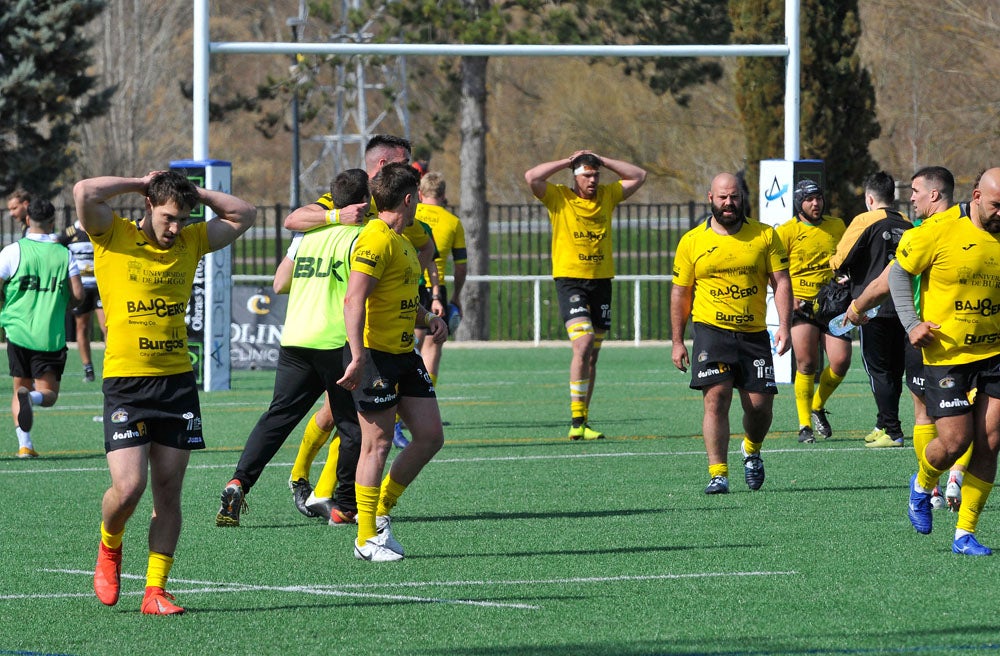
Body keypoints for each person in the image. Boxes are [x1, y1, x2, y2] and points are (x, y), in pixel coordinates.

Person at [75, 170, 256, 615]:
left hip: (176, 383)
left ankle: (155, 591)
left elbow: (244, 214)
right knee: (129, 487)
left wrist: (195, 194)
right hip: (126, 383)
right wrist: (141, 181)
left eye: (183, 219)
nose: (175, 228)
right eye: (169, 217)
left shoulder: (191, 241)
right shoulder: (110, 233)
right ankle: (110, 545)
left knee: (168, 492)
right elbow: (84, 192)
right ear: (149, 207)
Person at [216, 169, 369, 528]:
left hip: (296, 337)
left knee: (277, 418)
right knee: (352, 429)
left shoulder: (309, 233)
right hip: (335, 341)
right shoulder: (362, 236)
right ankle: (344, 506)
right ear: (366, 201)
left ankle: (239, 481)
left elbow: (280, 281)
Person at [338, 162, 448, 562]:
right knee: (377, 444)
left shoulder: (400, 240)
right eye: (417, 195)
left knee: (431, 436)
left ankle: (380, 510)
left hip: (404, 354)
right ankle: (366, 537)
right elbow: (354, 299)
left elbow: (400, 297)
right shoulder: (375, 239)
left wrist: (429, 317)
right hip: (376, 357)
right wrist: (356, 355)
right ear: (408, 197)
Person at [849, 167, 972, 508]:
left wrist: (857, 305)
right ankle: (950, 480)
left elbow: (888, 278)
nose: (911, 197)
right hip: (940, 335)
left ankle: (932, 484)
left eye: (916, 190)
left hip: (931, 334)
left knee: (928, 416)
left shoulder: (920, 233)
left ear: (935, 194)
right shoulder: (968, 226)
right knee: (974, 418)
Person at [893, 167, 1000, 556]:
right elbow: (898, 274)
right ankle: (922, 484)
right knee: (956, 442)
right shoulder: (937, 230)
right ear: (975, 196)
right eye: (996, 205)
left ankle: (965, 533)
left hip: (994, 354)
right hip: (946, 355)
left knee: (989, 443)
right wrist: (911, 323)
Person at [671, 173, 791, 494]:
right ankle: (718, 473)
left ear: (743, 199)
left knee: (759, 408)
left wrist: (784, 326)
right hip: (711, 332)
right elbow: (681, 293)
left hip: (753, 334)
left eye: (734, 197)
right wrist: (678, 341)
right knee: (716, 399)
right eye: (723, 197)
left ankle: (751, 449)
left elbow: (781, 282)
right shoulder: (692, 241)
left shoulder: (765, 236)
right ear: (710, 197)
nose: (729, 203)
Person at [524, 150, 647, 440]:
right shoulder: (558, 197)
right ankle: (575, 419)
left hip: (602, 281)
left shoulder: (607, 195)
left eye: (595, 174)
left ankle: (583, 421)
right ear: (575, 176)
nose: (592, 180)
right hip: (571, 280)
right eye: (586, 174)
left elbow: (639, 176)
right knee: (584, 341)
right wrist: (567, 162)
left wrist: (603, 160)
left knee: (592, 354)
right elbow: (532, 177)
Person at [830, 171, 912, 448]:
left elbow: (840, 259)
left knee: (877, 369)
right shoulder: (908, 223)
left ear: (869, 198)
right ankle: (883, 422)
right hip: (904, 306)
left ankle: (892, 430)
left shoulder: (864, 220)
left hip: (872, 306)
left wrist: (838, 268)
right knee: (894, 369)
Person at [0, 198, 83, 458]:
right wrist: (67, 303)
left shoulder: (13, 251)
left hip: (17, 331)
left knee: (18, 387)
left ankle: (25, 445)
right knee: (48, 394)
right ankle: (33, 399)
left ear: (27, 220)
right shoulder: (63, 253)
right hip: (50, 334)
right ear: (52, 222)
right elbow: (78, 293)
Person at [776, 180, 849, 443]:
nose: (815, 203)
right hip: (803, 305)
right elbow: (775, 272)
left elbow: (846, 259)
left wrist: (845, 278)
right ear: (799, 203)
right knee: (807, 363)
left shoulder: (837, 226)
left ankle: (818, 405)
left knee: (841, 362)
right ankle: (804, 425)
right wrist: (789, 296)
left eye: (818, 198)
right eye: (809, 199)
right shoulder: (786, 231)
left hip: (833, 305)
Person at [412, 171, 467, 387]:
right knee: (432, 348)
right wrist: (456, 296)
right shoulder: (453, 222)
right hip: (436, 291)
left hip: (410, 285)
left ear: (419, 193)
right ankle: (423, 409)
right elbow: (461, 266)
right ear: (443, 194)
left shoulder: (411, 215)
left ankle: (398, 412)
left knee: (407, 348)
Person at [59, 219, 107, 382]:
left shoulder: (101, 227)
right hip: (82, 288)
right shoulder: (70, 233)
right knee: (82, 327)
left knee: (106, 326)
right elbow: (57, 248)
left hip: (101, 288)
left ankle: (110, 366)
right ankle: (88, 368)